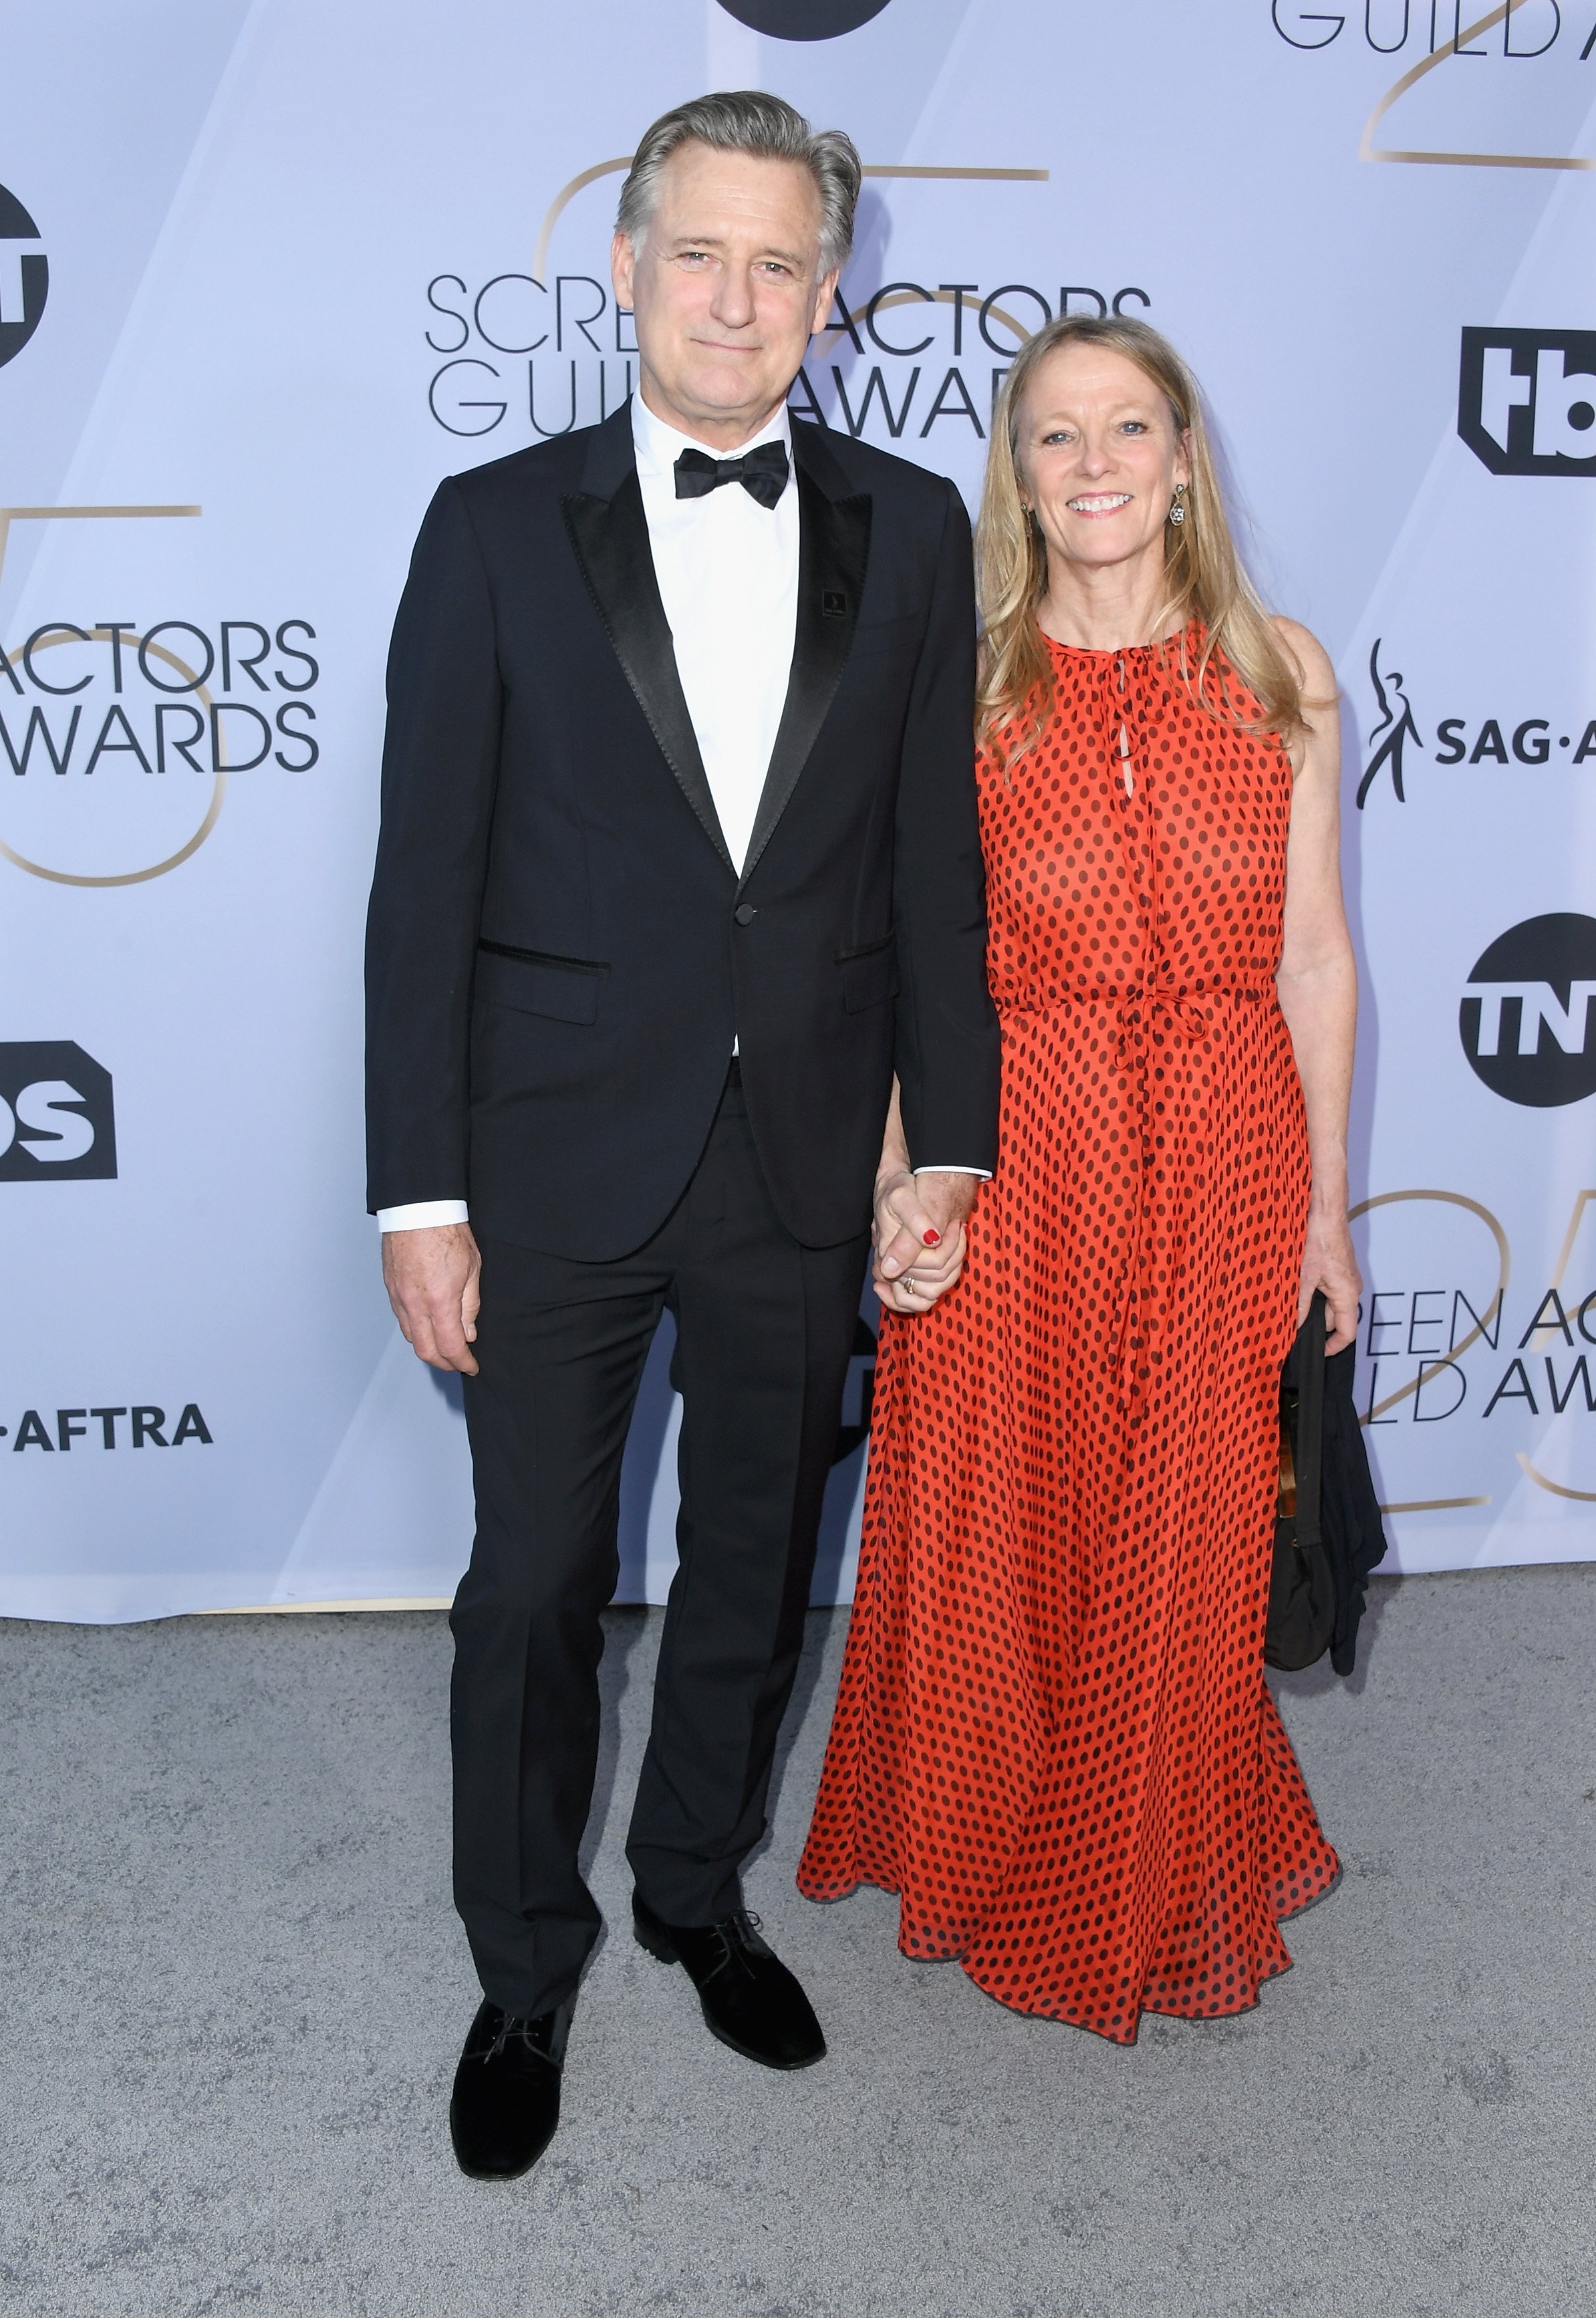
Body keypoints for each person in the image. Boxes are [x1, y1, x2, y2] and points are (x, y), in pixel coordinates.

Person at [364, 91, 999, 2178]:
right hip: (546, 1153)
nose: (738, 297)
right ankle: (523, 1959)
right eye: (699, 252)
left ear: (832, 294)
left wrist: (952, 1141)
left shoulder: (913, 527)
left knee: (751, 1554)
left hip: (803, 1150)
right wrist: (419, 1187)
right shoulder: (486, 523)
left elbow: (929, 870)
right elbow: (420, 877)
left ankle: (693, 1892)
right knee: (533, 1577)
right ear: (626, 265)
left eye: (779, 262)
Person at [799, 315, 1361, 2043]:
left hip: (1226, 1136)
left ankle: (1131, 1879)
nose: (1097, 465)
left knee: (1178, 1521)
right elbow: (902, 968)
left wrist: (1326, 1205)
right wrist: (906, 1178)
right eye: (1057, 436)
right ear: (1016, 474)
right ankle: (990, 1838)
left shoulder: (1280, 669)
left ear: (1183, 458)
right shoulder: (956, 687)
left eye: (1130, 429)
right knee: (1004, 1511)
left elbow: (1316, 960)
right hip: (1015, 1142)